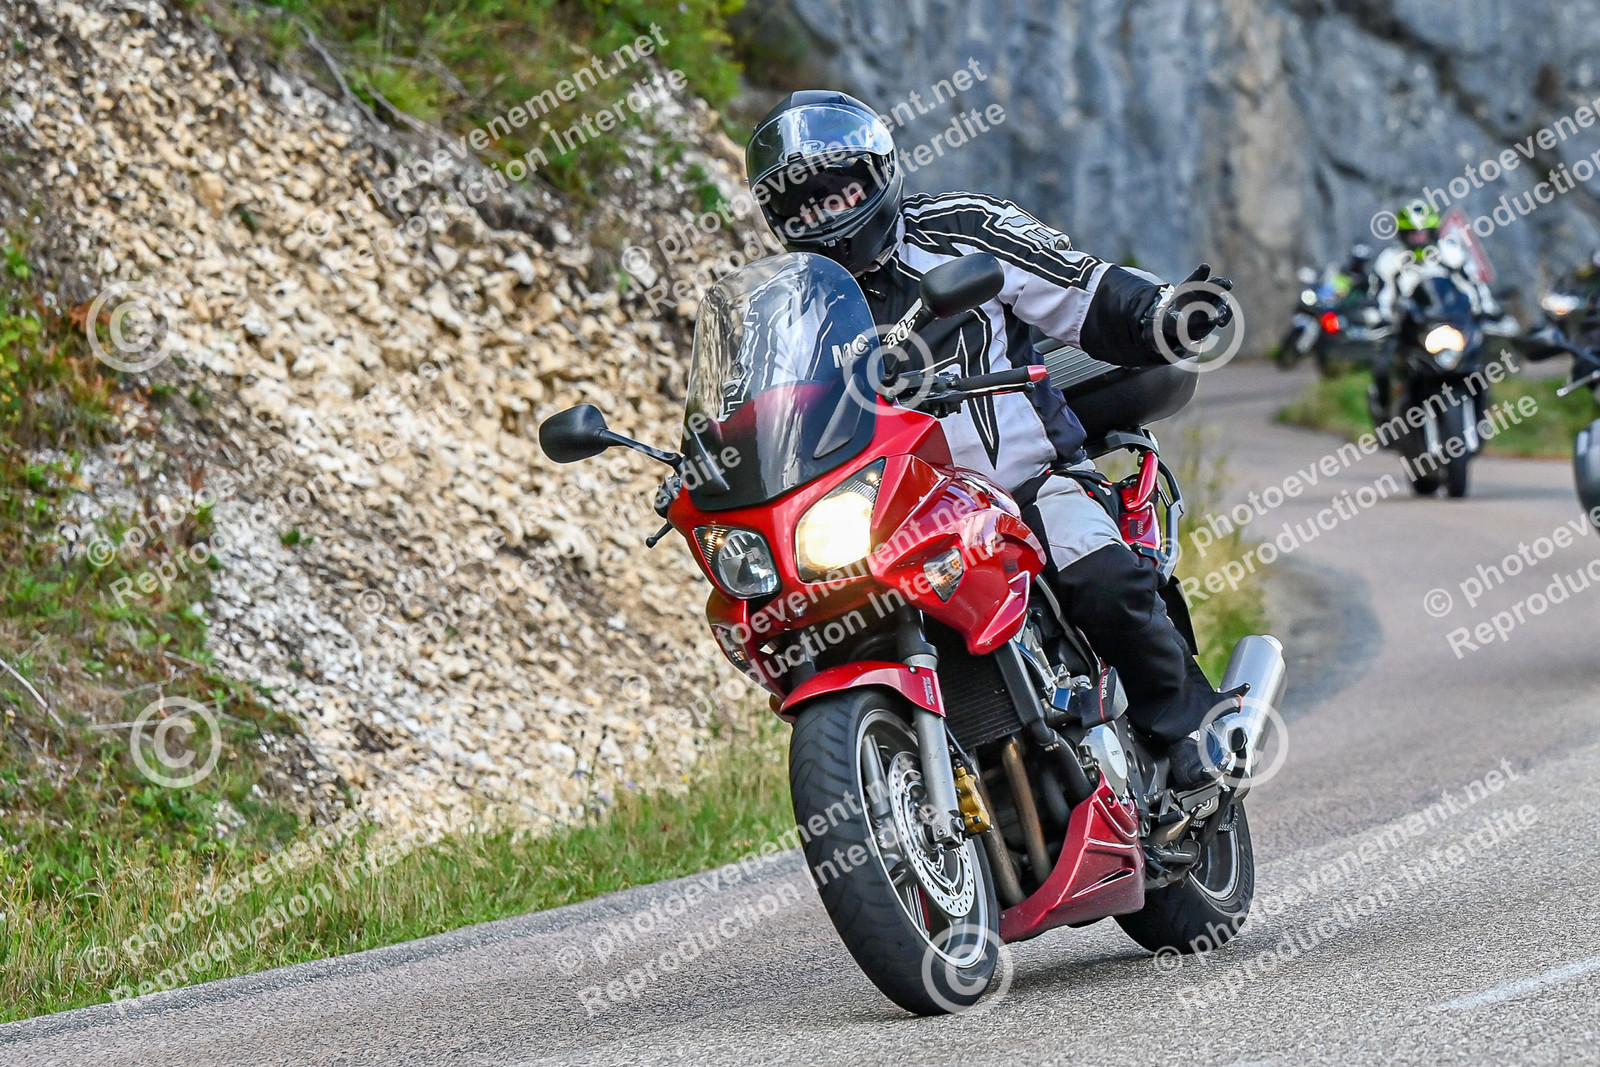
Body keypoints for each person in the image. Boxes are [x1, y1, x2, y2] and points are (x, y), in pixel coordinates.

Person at [744, 90, 1240, 788]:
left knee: (1099, 574)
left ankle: (1188, 729)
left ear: (877, 175)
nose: (824, 211)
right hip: (890, 517)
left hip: (1022, 487)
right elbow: (758, 411)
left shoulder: (962, 228)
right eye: (802, 204)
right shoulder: (786, 316)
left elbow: (1077, 285)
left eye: (838, 191)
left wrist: (1158, 312)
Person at [1368, 204, 1502, 417]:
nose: (1418, 239)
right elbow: (1381, 296)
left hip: (1450, 322)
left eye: (1423, 233)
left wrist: (1486, 309)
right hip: (1408, 329)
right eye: (1413, 234)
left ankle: (1482, 415)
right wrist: (1380, 319)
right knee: (1383, 367)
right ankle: (1385, 416)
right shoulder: (1389, 260)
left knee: (1477, 364)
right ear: (1403, 234)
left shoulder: (1450, 253)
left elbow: (1472, 285)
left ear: (1433, 232)